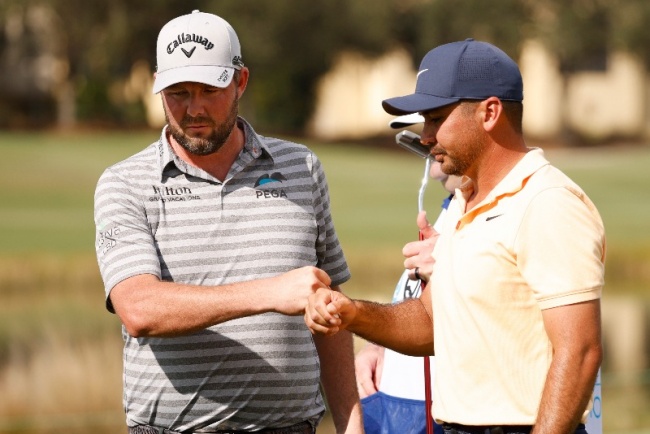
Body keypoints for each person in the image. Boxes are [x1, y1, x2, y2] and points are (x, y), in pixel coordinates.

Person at [305, 38, 605, 434]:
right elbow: (430, 323)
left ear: (490, 112)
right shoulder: (464, 203)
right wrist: (352, 313)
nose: (425, 135)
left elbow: (580, 352)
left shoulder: (547, 202)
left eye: (435, 118)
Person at [93, 10, 362, 434]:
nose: (194, 108)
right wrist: (270, 291)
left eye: (209, 90)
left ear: (240, 82)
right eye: (178, 92)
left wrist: (350, 421)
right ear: (159, 89)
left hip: (291, 426)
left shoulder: (301, 167)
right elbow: (139, 308)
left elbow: (329, 305)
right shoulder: (124, 183)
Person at [357, 115, 460, 434]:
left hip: (445, 416)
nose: (432, 168)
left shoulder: (528, 210)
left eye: (436, 130)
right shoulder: (451, 210)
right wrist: (382, 345)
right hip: (394, 406)